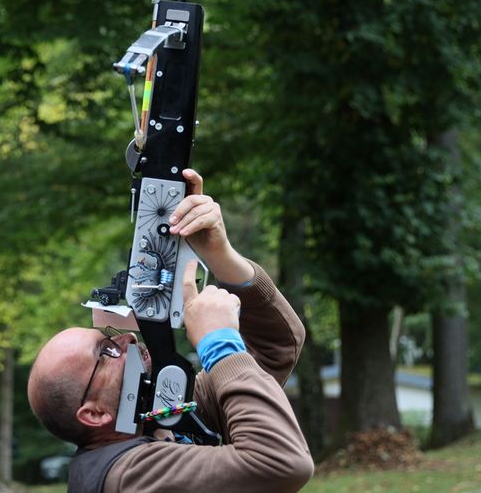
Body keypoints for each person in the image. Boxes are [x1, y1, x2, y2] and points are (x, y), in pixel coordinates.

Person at [28, 169, 314, 493]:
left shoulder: (153, 419)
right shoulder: (128, 477)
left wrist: (219, 255)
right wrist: (218, 344)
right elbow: (283, 463)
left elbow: (278, 345)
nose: (127, 339)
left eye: (110, 337)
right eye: (106, 352)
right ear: (94, 414)